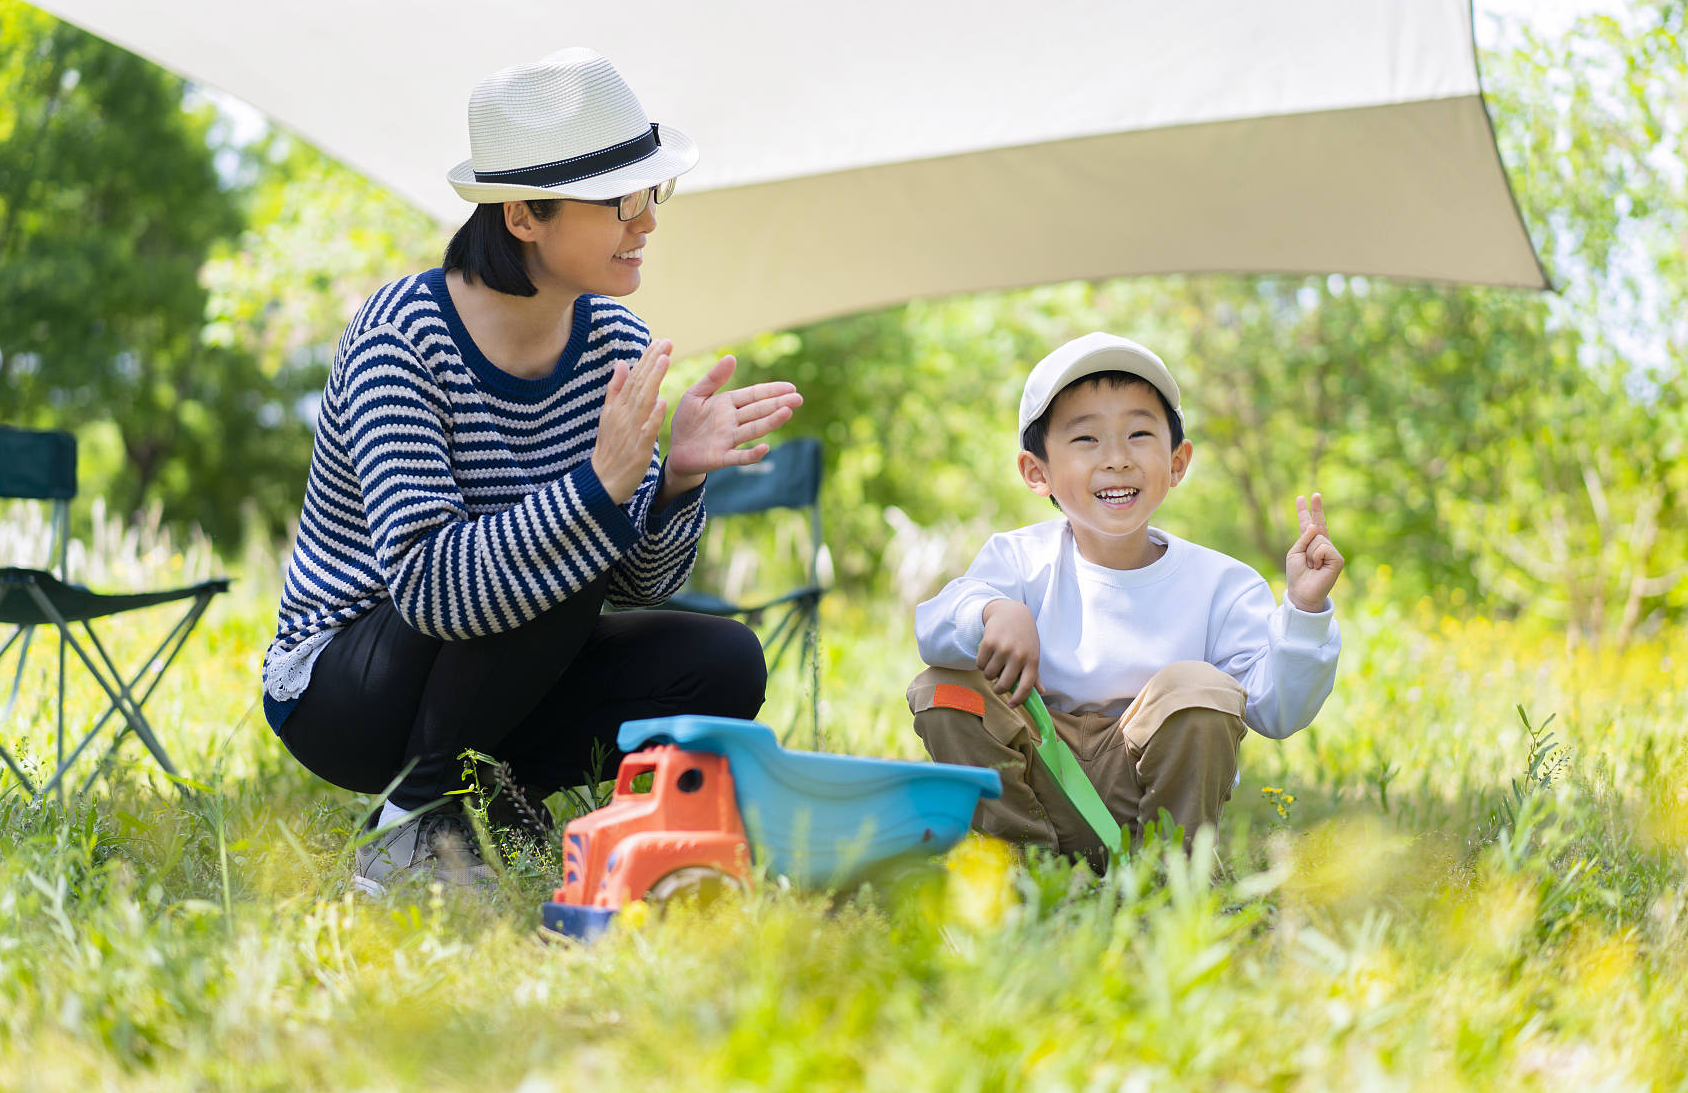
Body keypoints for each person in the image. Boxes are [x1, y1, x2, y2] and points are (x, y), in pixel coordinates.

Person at [259, 49, 802, 894]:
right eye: (621, 201)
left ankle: (505, 797)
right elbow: (430, 587)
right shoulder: (400, 336)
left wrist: (674, 483)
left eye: (652, 194)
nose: (647, 222)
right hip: (349, 691)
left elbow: (641, 585)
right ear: (523, 217)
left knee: (723, 658)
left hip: (504, 670)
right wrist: (595, 491)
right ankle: (411, 817)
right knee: (559, 563)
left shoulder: (615, 347)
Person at [907, 332, 1341, 863]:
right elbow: (934, 629)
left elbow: (1280, 710)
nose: (1116, 459)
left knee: (1200, 687)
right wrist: (993, 611)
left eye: (1138, 434)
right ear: (1036, 471)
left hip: (1144, 792)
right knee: (947, 685)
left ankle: (1169, 876)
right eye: (1086, 439)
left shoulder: (1222, 583)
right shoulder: (1018, 560)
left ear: (1177, 462)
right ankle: (1018, 869)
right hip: (1038, 773)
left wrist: (1305, 611)